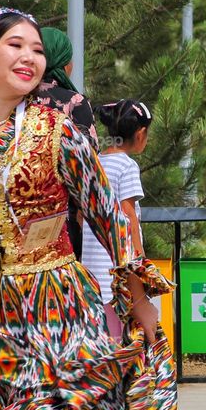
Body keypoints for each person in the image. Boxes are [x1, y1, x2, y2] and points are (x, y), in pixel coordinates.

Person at [0, 7, 201, 410]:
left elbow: (109, 217)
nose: (29, 57)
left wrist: (139, 298)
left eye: (37, 50)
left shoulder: (57, 131)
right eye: (15, 45)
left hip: (54, 305)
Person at [81, 99, 153, 338]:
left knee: (100, 335)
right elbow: (128, 215)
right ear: (141, 134)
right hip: (117, 268)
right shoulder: (127, 166)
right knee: (120, 338)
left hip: (91, 267)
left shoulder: (94, 162)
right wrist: (140, 260)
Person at [33, 27, 99, 260]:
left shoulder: (16, 98)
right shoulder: (74, 102)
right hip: (62, 220)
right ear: (63, 63)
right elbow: (88, 165)